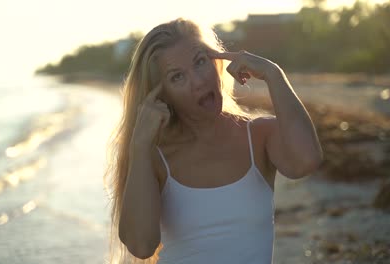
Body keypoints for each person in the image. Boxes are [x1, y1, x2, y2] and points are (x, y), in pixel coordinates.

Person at [103, 18, 323, 264]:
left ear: (217, 62)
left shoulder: (258, 136)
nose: (199, 81)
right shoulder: (155, 156)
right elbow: (141, 246)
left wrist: (274, 74)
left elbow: (306, 161)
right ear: (162, 94)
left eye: (200, 62)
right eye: (177, 77)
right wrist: (140, 147)